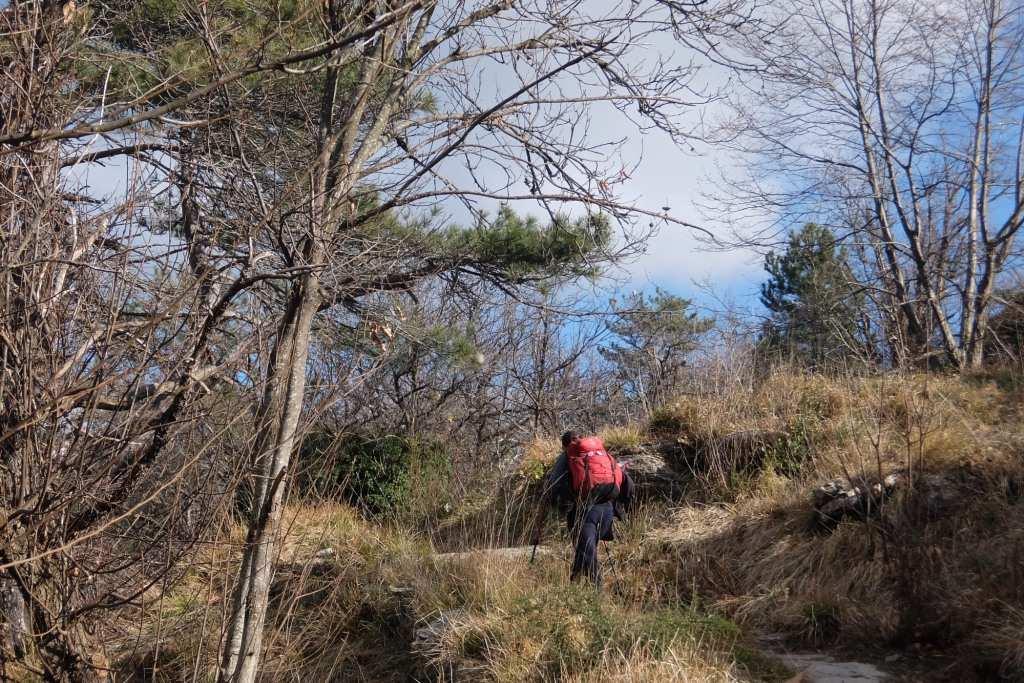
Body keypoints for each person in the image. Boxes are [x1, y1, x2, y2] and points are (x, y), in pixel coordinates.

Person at [535, 430, 634, 586]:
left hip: (584, 512)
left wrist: (560, 506)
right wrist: (622, 509)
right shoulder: (601, 453)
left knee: (587, 551)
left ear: (564, 446)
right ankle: (574, 584)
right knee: (584, 549)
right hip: (607, 510)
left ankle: (597, 592)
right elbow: (627, 483)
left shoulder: (568, 456)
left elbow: (553, 487)